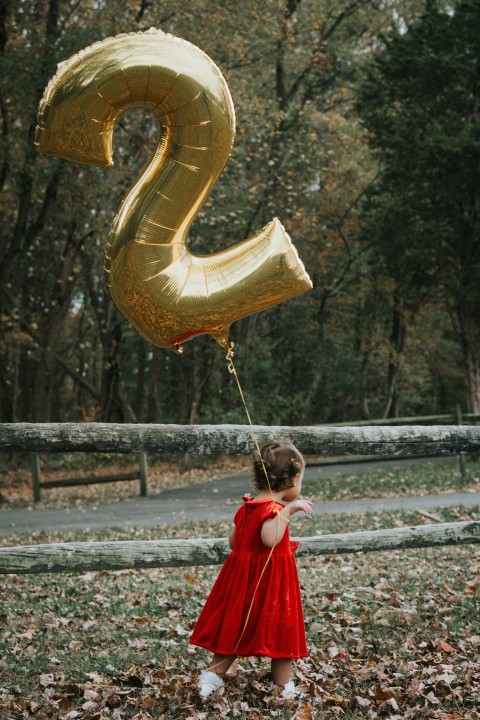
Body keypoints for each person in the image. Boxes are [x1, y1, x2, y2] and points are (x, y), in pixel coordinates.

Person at [190, 439, 313, 699]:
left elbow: (234, 542)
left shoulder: (248, 506)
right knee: (281, 631)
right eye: (300, 480)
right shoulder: (273, 509)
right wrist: (289, 511)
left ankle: (212, 678)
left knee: (235, 629)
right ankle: (282, 687)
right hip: (270, 585)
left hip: (243, 584)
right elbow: (269, 538)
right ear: (291, 479)